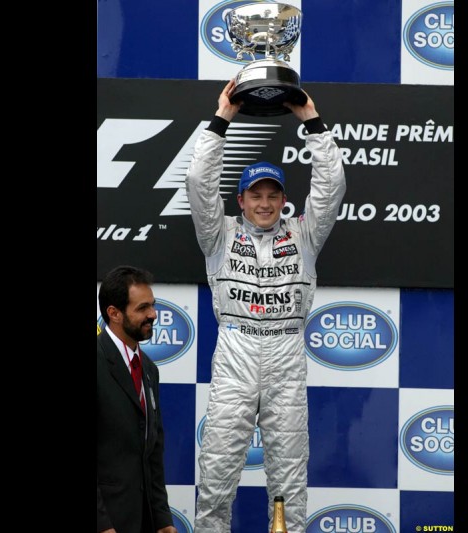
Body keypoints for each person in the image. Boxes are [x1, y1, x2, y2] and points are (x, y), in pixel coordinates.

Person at [185, 79, 347, 533]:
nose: (264, 203)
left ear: (283, 200)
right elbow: (198, 182)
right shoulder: (218, 235)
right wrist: (223, 117)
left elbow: (332, 185)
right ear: (240, 201)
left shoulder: (304, 234)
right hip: (236, 350)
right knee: (216, 474)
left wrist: (311, 120)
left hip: (285, 353)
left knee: (290, 478)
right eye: (255, 195)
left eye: (272, 195)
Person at [97, 266, 178, 533]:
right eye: (143, 308)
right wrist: (102, 524)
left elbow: (152, 453)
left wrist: (163, 520)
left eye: (152, 306)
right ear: (114, 313)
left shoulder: (149, 369)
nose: (153, 315)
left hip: (144, 522)